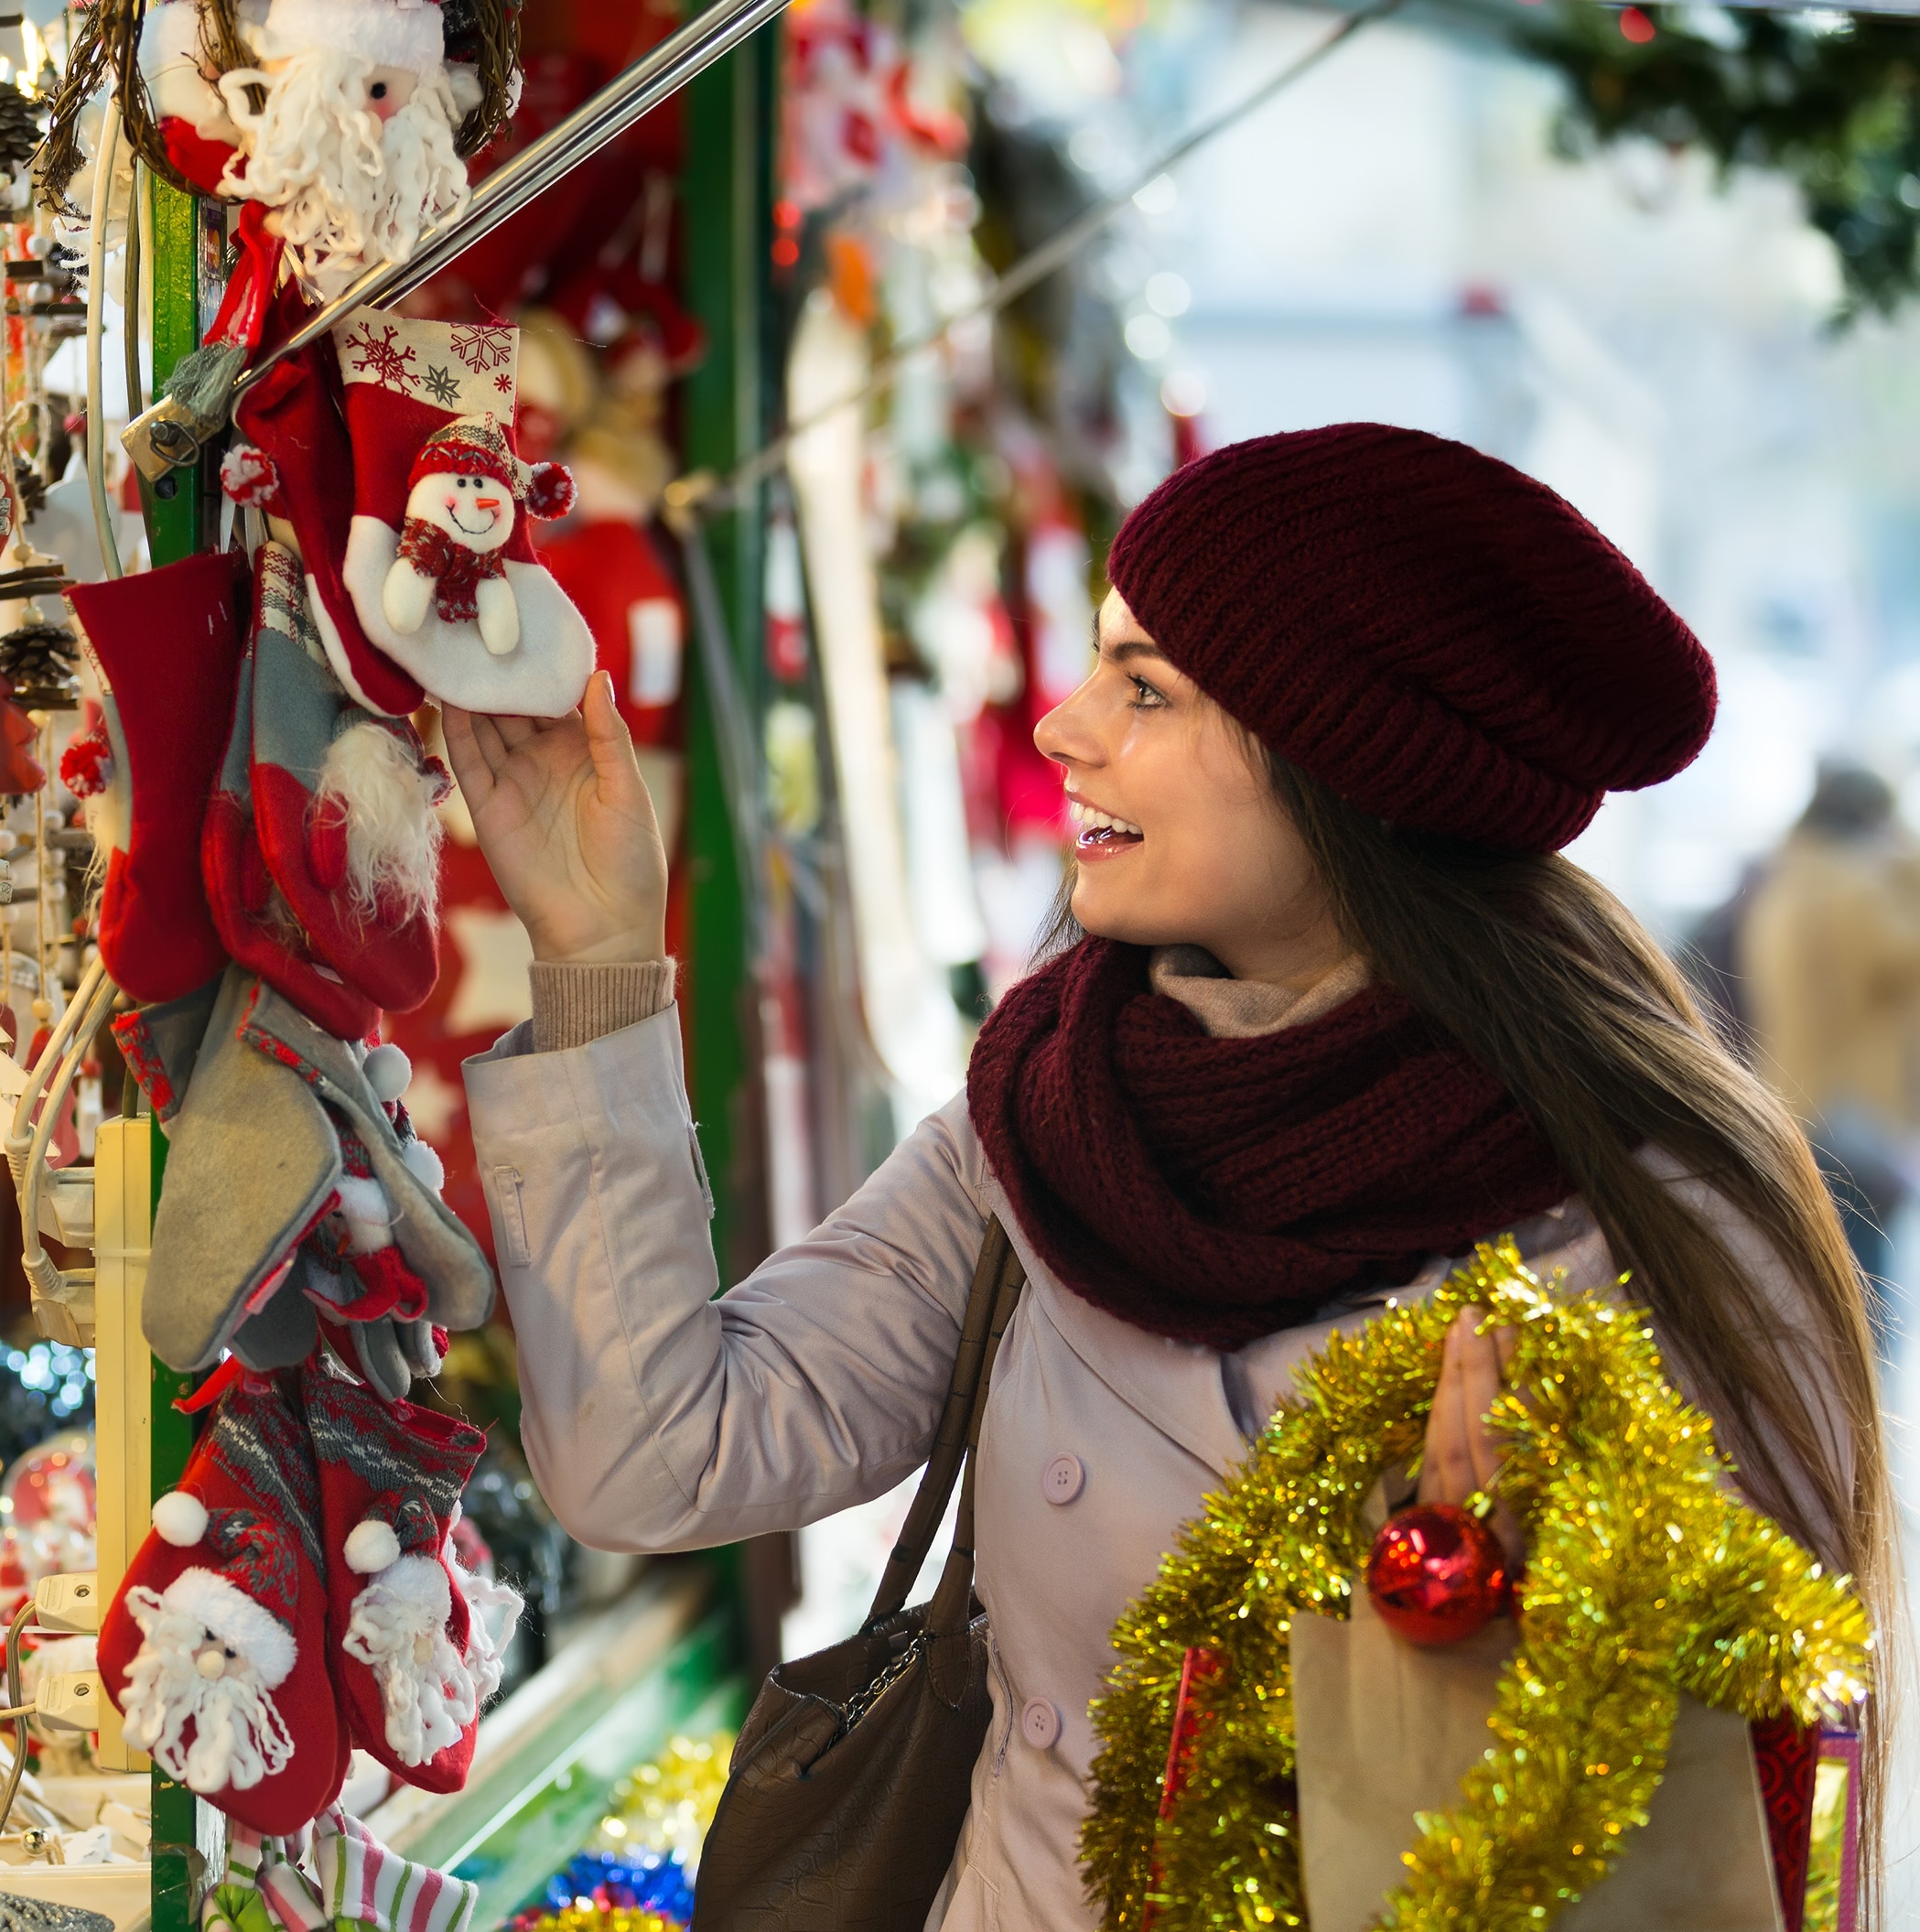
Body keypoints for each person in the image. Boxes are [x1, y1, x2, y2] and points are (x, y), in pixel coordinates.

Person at [443, 423, 1884, 1930]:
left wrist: (1489, 1625)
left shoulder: (1660, 1232)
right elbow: (654, 1455)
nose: (1064, 730)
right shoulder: (1046, 1123)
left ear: (1349, 764)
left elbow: (1753, 1837)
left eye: (1147, 689)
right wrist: (596, 954)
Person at [1740, 760, 1920, 1290]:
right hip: (1852, 1109)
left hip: (1794, 1096)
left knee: (1824, 1278)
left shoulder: (1784, 883)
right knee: (1868, 1289)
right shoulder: (1857, 890)